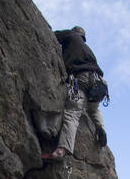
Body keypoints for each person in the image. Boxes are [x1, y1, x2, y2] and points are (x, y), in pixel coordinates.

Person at [43, 26, 108, 160]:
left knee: (73, 113)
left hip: (81, 77)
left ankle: (61, 150)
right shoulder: (88, 51)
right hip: (99, 82)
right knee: (94, 109)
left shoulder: (71, 36)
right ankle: (100, 128)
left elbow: (54, 35)